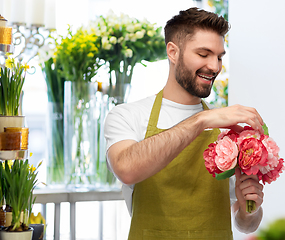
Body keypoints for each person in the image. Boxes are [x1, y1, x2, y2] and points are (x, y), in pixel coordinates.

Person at [104, 7, 264, 240]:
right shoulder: (127, 115)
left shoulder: (229, 130)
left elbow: (246, 224)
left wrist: (251, 210)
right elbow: (127, 169)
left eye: (219, 56)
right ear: (172, 52)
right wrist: (201, 119)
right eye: (203, 54)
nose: (215, 66)